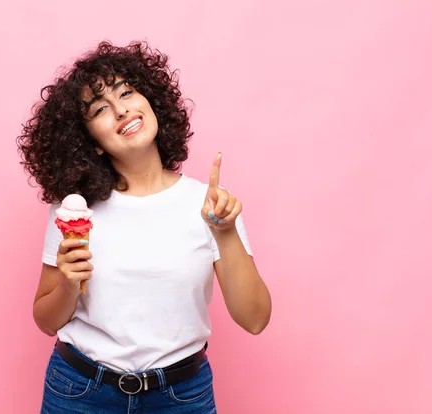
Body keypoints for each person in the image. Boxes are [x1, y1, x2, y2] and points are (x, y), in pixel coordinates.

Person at [17, 40, 272, 414]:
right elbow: (45, 320)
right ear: (92, 143)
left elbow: (254, 319)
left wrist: (225, 232)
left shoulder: (209, 205)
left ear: (152, 102)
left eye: (127, 92)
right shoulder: (75, 211)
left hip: (182, 397)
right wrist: (69, 286)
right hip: (80, 392)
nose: (121, 109)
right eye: (101, 109)